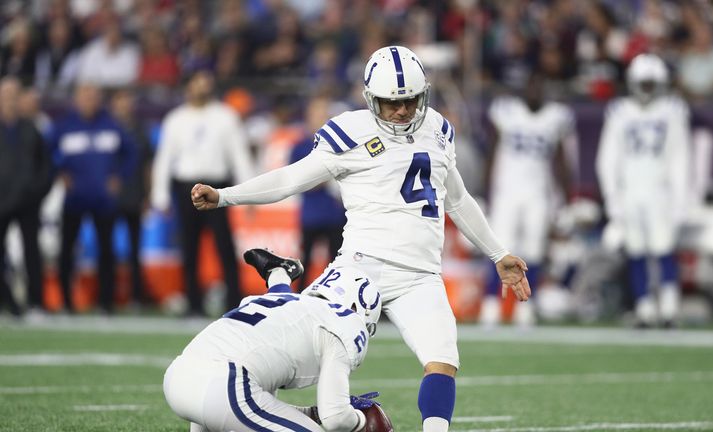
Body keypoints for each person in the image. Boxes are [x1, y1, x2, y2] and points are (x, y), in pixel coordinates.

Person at [191, 45, 531, 432]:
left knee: (443, 357)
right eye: (390, 103)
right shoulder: (350, 132)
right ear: (371, 99)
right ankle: (245, 401)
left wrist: (497, 253)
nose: (402, 111)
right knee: (300, 346)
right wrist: (226, 196)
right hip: (360, 267)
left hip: (419, 275)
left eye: (410, 101)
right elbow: (289, 179)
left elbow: (457, 199)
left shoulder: (437, 128)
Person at [164, 248, 382, 432]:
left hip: (179, 377)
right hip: (225, 388)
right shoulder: (345, 322)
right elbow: (335, 418)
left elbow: (263, 401)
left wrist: (311, 414)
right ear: (357, 307)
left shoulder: (276, 302)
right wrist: (363, 422)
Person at [597, 53, 690, 328]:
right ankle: (645, 308)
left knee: (664, 248)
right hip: (630, 191)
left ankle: (670, 308)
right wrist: (612, 197)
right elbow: (607, 159)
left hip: (660, 190)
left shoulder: (672, 110)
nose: (647, 89)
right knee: (635, 250)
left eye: (651, 83)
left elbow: (680, 158)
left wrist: (681, 197)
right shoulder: (620, 111)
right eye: (643, 83)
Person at [151, 70, 252, 315]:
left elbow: (239, 155)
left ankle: (233, 301)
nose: (203, 86)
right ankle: (193, 304)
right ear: (188, 87)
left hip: (217, 187)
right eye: (198, 82)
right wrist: (160, 195)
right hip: (186, 187)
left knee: (225, 247)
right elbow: (164, 159)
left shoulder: (225, 116)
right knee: (189, 248)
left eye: (207, 81)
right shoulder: (176, 119)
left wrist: (250, 191)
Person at [480, 73, 576, 327]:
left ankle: (525, 307)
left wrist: (567, 201)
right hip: (507, 193)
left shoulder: (555, 118)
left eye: (539, 87)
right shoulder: (506, 112)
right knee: (499, 249)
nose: (534, 92)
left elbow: (561, 162)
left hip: (538, 193)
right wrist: (484, 192)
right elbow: (491, 154)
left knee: (533, 251)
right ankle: (490, 304)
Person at [49, 83, 137, 314]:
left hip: (102, 199)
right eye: (84, 96)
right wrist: (60, 173)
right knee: (67, 250)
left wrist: (119, 177)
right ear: (76, 99)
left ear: (99, 99)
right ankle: (66, 302)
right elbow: (45, 153)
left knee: (106, 251)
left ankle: (106, 303)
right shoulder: (64, 126)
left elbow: (131, 153)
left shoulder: (111, 124)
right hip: (74, 198)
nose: (89, 100)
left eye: (93, 96)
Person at [0, 77, 53, 316]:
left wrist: (36, 192)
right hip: (2, 200)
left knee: (32, 251)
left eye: (14, 96)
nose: (10, 101)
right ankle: (8, 300)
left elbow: (46, 166)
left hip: (27, 201)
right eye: (5, 95)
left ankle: (35, 302)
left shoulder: (31, 128)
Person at [289, 96, 347, 290]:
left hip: (335, 214)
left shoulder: (338, 145)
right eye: (317, 114)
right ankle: (296, 301)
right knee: (303, 264)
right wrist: (325, 177)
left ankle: (334, 301)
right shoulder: (300, 146)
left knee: (337, 265)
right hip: (311, 215)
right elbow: (299, 181)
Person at [110, 89, 153, 308]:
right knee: (106, 247)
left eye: (128, 100)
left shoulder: (140, 131)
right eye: (121, 100)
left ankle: (136, 296)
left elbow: (148, 166)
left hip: (134, 194)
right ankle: (107, 296)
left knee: (135, 249)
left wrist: (148, 195)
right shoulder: (106, 129)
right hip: (109, 197)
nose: (125, 105)